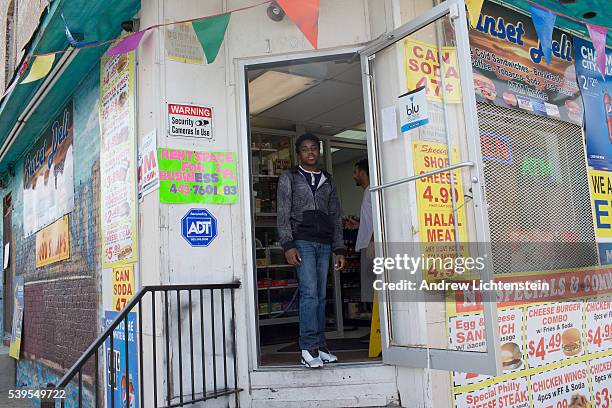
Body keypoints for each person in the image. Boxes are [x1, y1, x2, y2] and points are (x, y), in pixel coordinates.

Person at [277, 133, 347, 368]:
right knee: (309, 293)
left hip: (325, 243)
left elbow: (336, 216)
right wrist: (288, 244)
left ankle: (320, 346)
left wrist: (339, 248)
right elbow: (282, 213)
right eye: (305, 149)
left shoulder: (328, 179)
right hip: (303, 241)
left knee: (320, 295)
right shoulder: (290, 177)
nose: (310, 152)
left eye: (314, 148)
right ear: (299, 154)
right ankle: (308, 347)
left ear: (319, 152)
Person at [346, 159, 375, 302]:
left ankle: (379, 322)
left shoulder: (372, 192)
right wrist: (359, 225)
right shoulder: (367, 193)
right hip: (368, 244)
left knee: (373, 290)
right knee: (371, 289)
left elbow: (380, 218)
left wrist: (372, 241)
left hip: (371, 247)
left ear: (363, 173)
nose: (353, 176)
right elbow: (370, 220)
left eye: (355, 172)